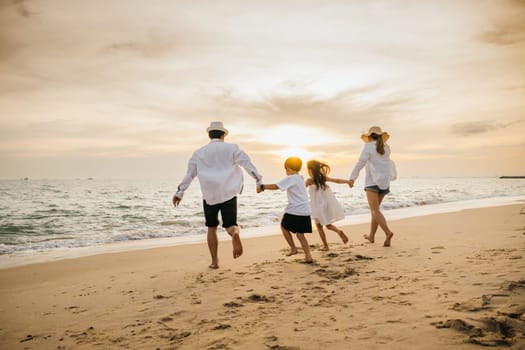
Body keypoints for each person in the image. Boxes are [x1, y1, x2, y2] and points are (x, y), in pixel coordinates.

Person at [173, 121, 263, 269]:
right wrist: (258, 180)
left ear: (209, 135)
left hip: (209, 196)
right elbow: (247, 164)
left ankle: (215, 262)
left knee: (212, 227)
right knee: (231, 225)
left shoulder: (199, 152)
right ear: (223, 135)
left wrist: (180, 192)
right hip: (228, 193)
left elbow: (190, 174)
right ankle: (234, 233)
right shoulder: (232, 149)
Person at [257, 157, 313, 263]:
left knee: (283, 226)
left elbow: (276, 186)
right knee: (300, 234)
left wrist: (262, 187)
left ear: (287, 168)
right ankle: (308, 256)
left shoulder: (290, 178)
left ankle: (293, 248)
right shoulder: (300, 178)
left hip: (295, 210)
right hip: (305, 210)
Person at [348, 126, 395, 247]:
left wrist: (352, 178)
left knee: (375, 210)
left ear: (369, 137)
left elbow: (360, 163)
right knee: (376, 211)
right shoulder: (386, 147)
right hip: (384, 183)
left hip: (372, 182)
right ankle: (371, 236)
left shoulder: (368, 147)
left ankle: (388, 232)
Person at [306, 160, 350, 251]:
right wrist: (348, 182)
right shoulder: (322, 178)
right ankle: (338, 231)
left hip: (317, 206)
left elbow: (301, 189)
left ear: (310, 170)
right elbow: (337, 180)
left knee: (319, 226)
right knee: (328, 225)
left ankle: (326, 246)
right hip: (325, 204)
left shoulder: (309, 180)